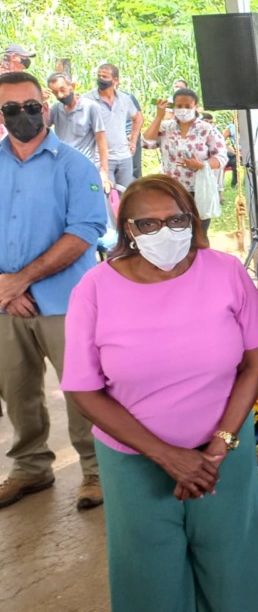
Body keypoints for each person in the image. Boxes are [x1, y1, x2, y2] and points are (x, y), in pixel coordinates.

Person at [61, 175, 258, 611]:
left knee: (233, 568)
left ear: (192, 220)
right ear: (129, 230)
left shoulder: (226, 272)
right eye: (149, 224)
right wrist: (166, 456)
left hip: (223, 454)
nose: (166, 232)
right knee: (150, 578)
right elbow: (84, 389)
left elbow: (255, 362)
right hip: (134, 461)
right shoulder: (94, 289)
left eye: (176, 220)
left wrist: (220, 444)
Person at [0, 71, 107, 511]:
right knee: (16, 390)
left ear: (45, 108)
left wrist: (20, 280)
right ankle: (30, 468)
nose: (22, 115)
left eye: (30, 106)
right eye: (11, 109)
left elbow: (85, 230)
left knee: (83, 390)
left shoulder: (73, 164)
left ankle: (97, 471)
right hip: (6, 304)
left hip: (66, 302)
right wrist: (6, 290)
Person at [142, 88, 227, 234]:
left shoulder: (206, 129)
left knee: (199, 232)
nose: (183, 110)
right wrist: (159, 117)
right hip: (173, 190)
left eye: (188, 106)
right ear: (173, 107)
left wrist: (202, 165)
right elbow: (146, 143)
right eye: (179, 106)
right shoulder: (166, 127)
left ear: (196, 107)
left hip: (199, 189)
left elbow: (221, 157)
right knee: (176, 231)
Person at [47, 72, 111, 192]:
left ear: (72, 86)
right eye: (55, 93)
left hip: (84, 167)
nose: (59, 95)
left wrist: (104, 171)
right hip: (62, 167)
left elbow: (101, 139)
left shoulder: (90, 107)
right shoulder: (56, 109)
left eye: (62, 90)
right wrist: (41, 103)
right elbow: (39, 128)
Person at [83, 63, 142, 189]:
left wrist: (133, 140)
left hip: (124, 156)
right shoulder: (87, 100)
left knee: (127, 193)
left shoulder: (124, 99)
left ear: (115, 80)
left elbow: (137, 118)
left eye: (105, 77)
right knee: (108, 194)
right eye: (99, 76)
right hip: (100, 158)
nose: (101, 79)